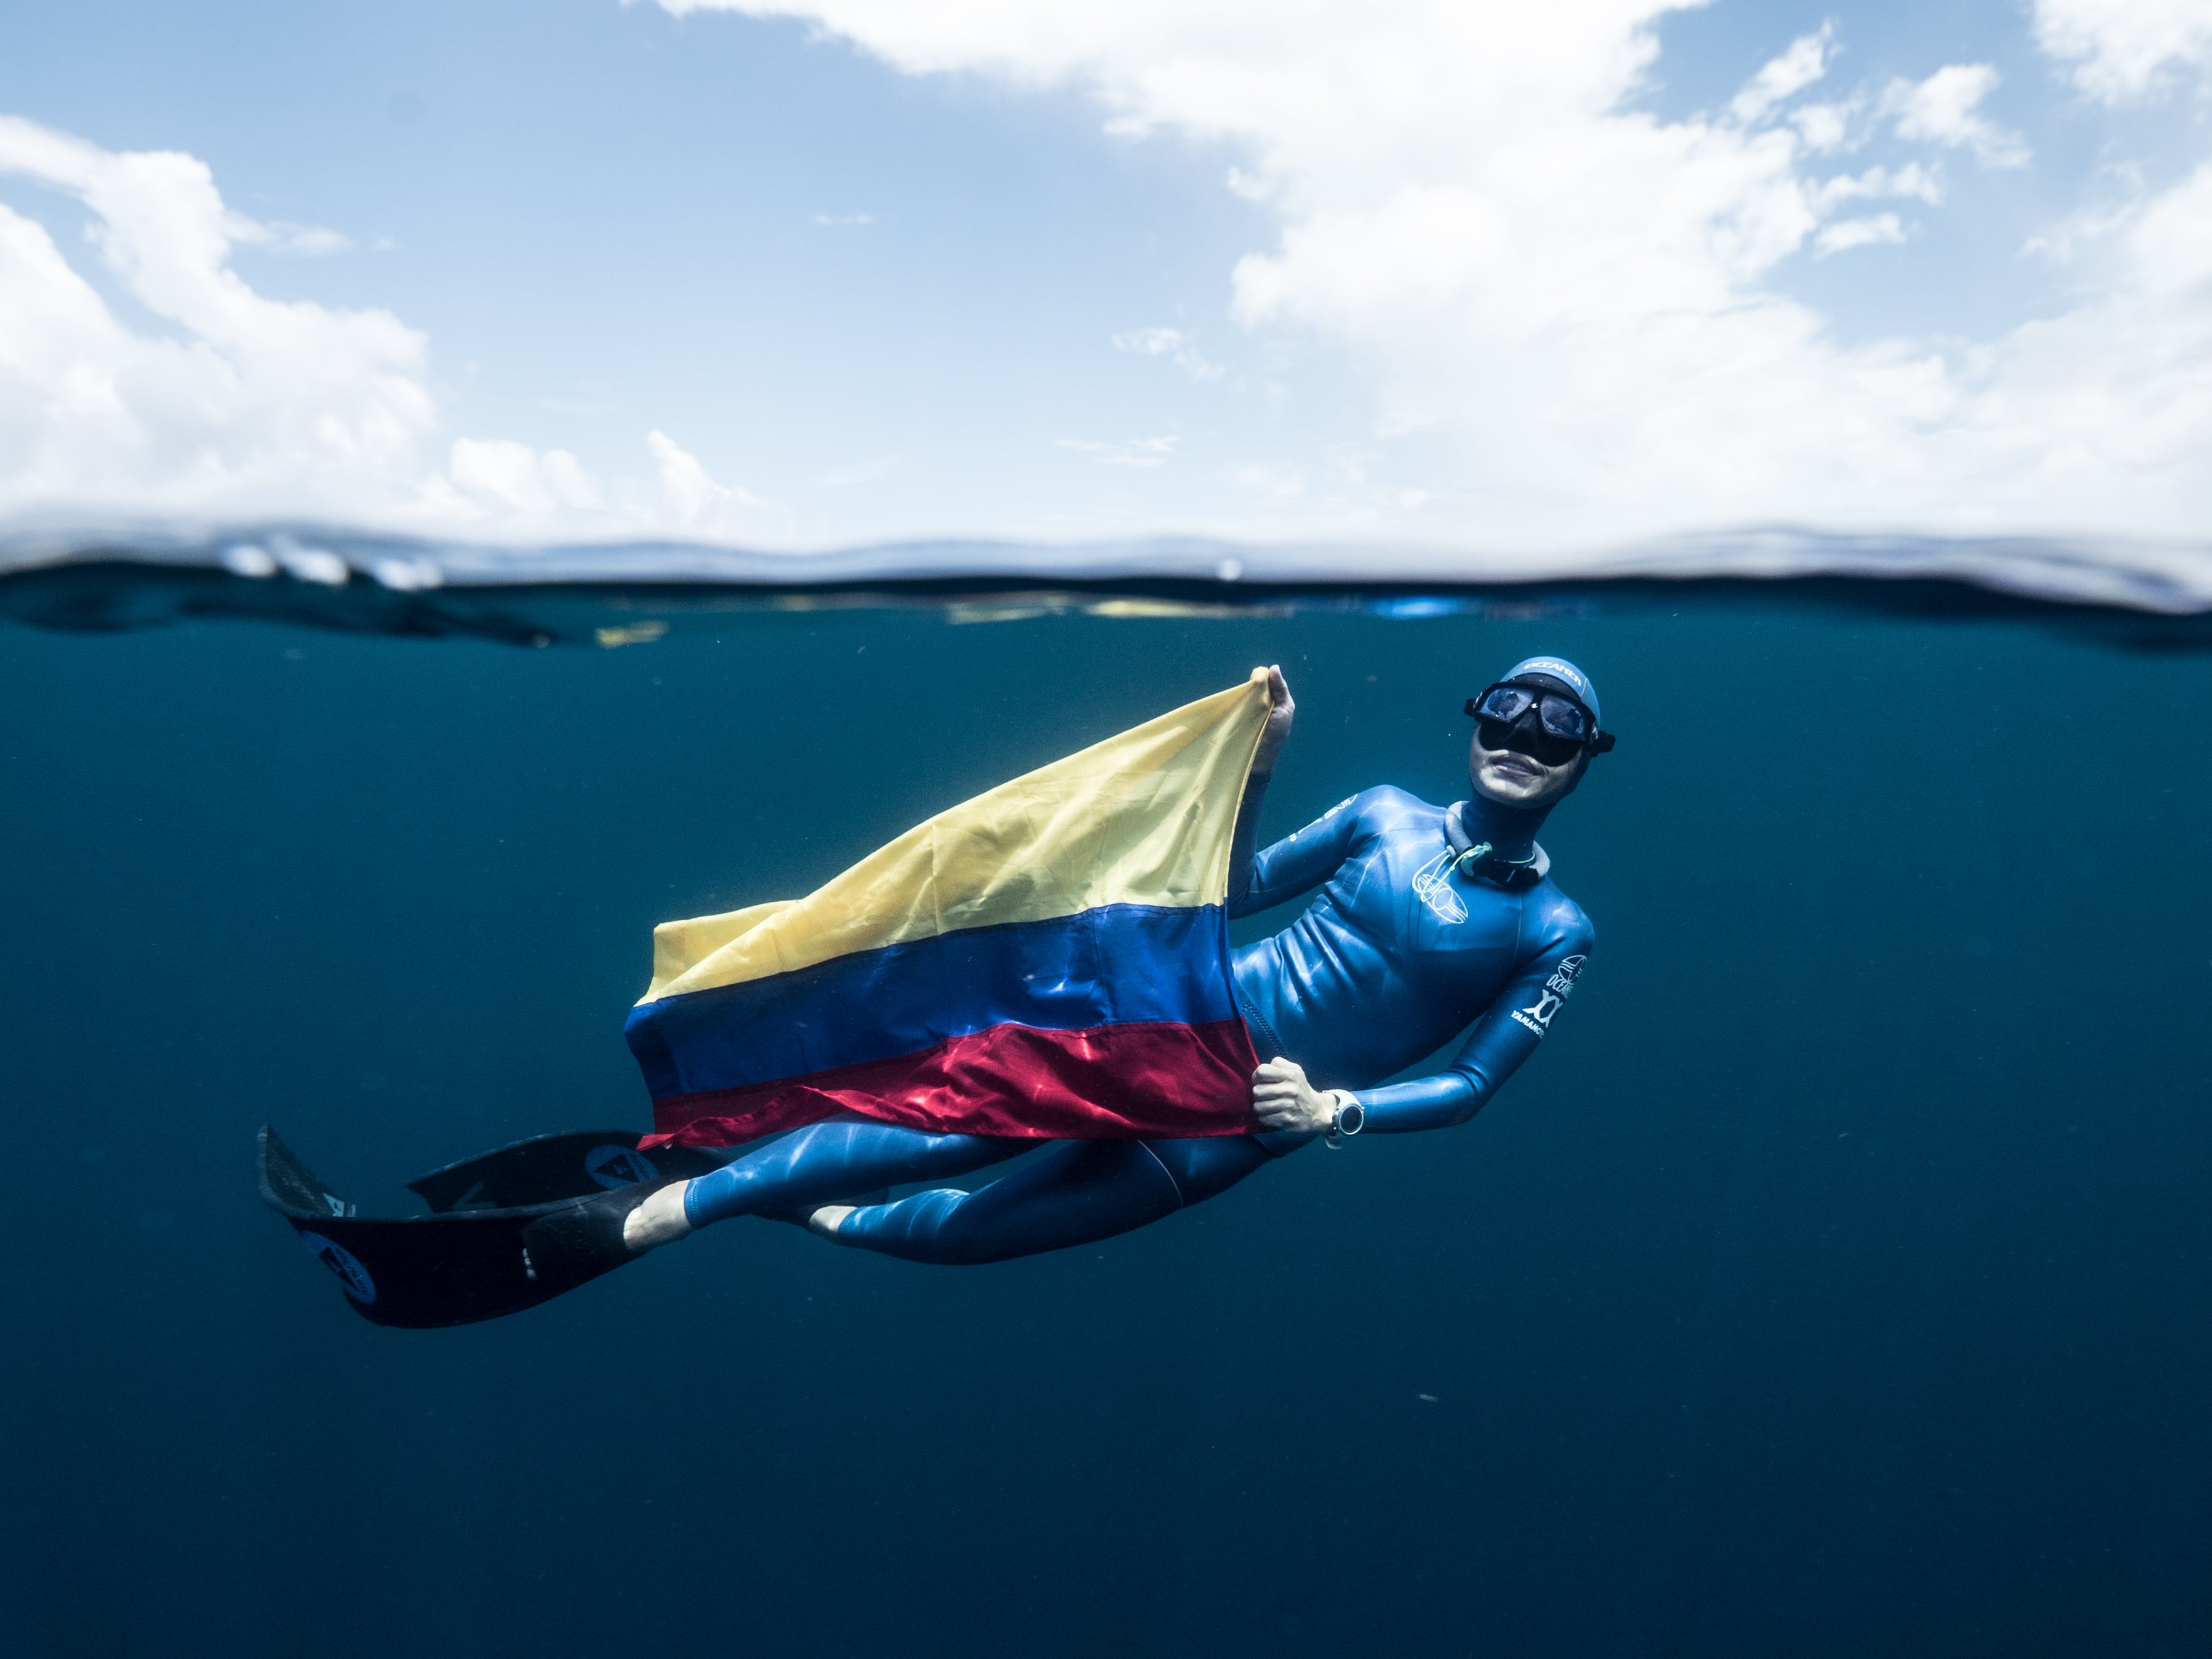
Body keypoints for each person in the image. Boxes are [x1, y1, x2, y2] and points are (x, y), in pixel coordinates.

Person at [537, 654, 1606, 1274]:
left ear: (1580, 762)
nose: (1523, 738)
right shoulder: (1384, 813)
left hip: (1242, 1125)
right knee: (924, 1138)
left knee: (964, 1239)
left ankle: (801, 1212)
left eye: (1555, 734)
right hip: (1167, 1024)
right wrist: (1259, 763)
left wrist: (1334, 1113)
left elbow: (1468, 1089)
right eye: (1505, 714)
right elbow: (1225, 892)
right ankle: (667, 1214)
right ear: (1474, 726)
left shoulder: (1556, 930)